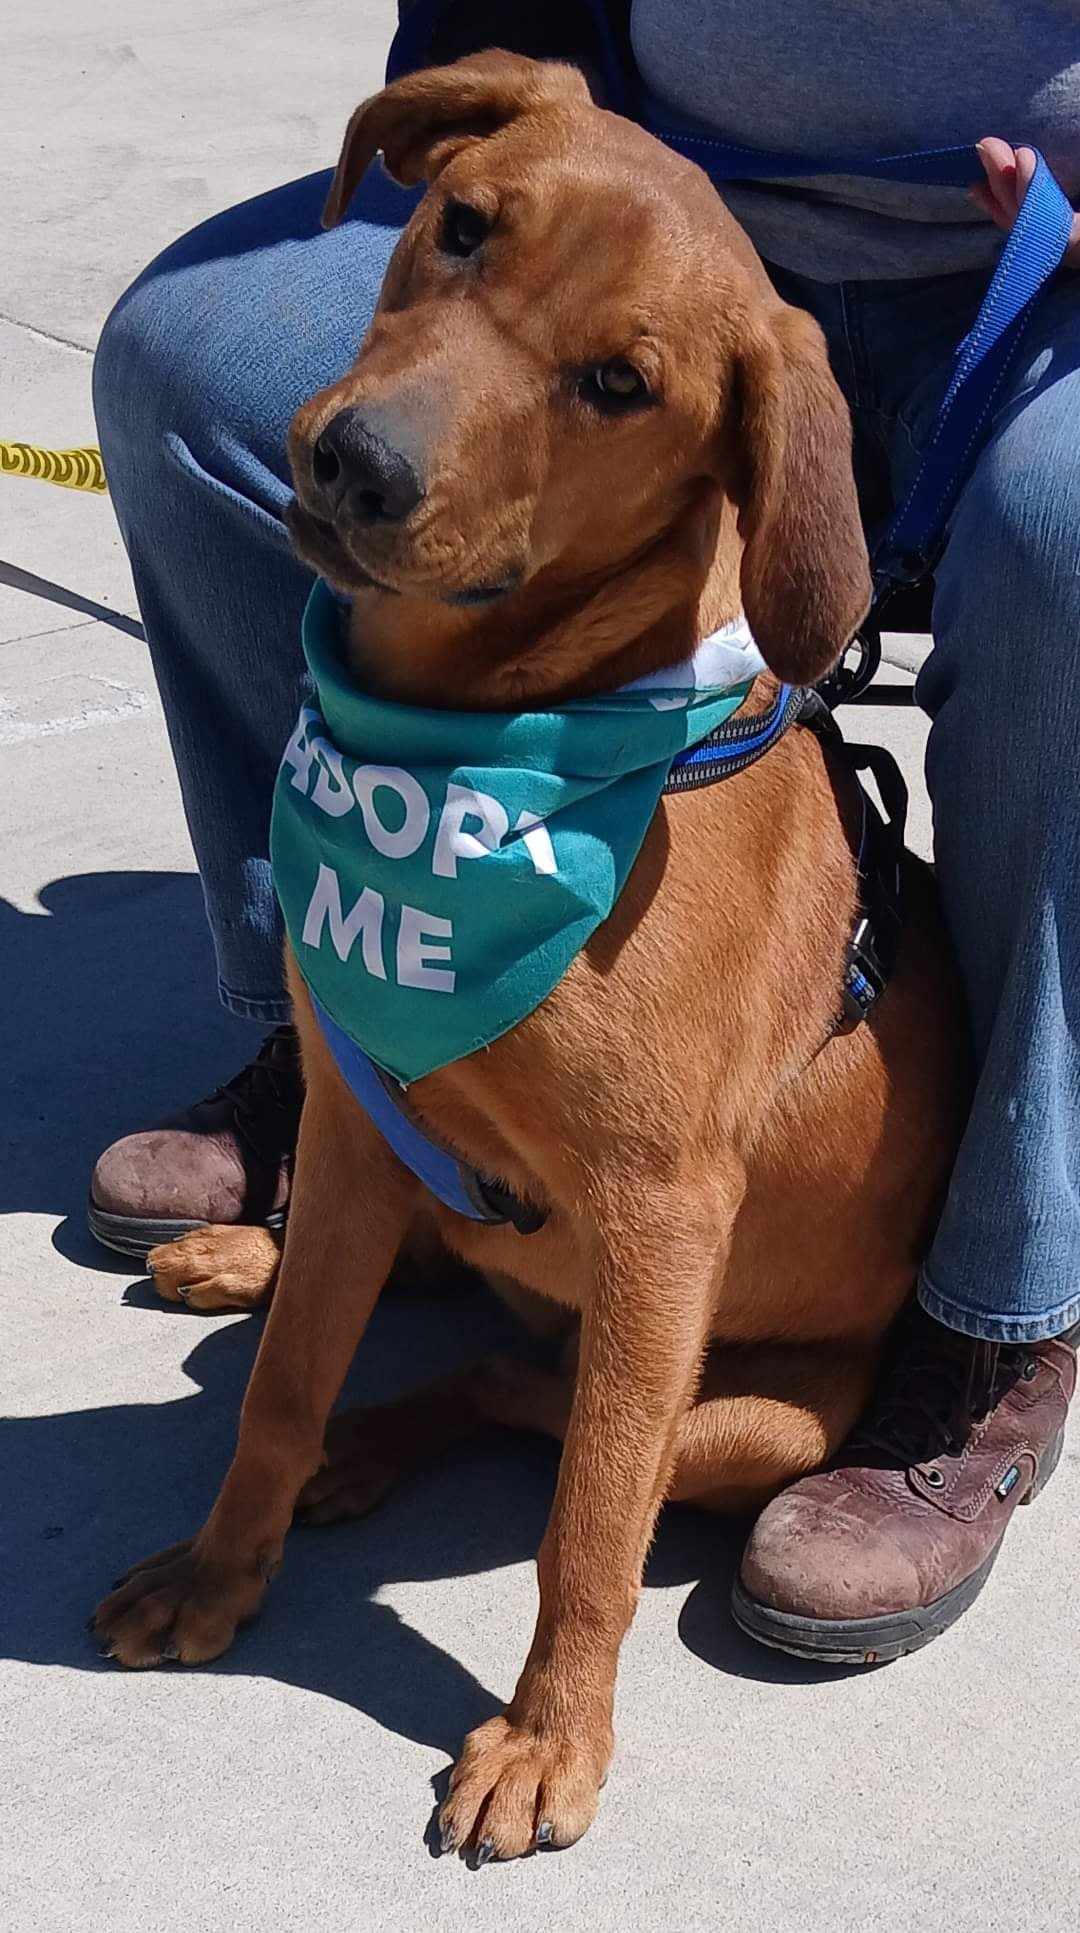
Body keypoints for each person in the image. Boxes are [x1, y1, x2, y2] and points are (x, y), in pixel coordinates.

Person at [88, 0, 1079, 1659]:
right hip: (631, 176)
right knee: (184, 352)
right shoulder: (501, 182)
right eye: (449, 232)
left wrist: (570, 1667)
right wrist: (521, 145)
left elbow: (811, 603)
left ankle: (995, 1311)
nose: (381, 437)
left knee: (1069, 548)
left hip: (1034, 285)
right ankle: (358, 1052)